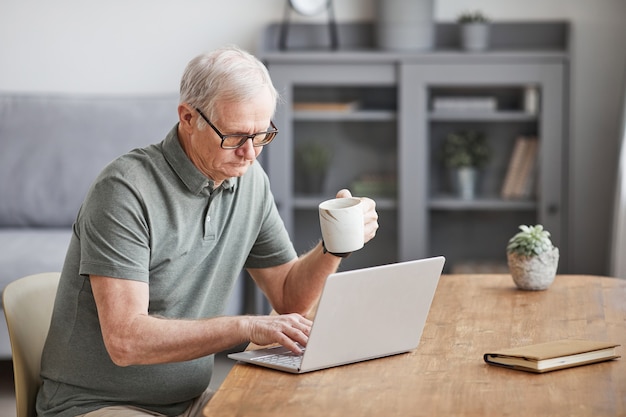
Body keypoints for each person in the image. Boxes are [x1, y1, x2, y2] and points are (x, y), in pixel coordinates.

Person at [36, 45, 379, 417]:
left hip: (189, 402)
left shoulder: (249, 182)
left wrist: (334, 246)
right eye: (234, 136)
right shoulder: (124, 190)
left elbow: (288, 297)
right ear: (188, 118)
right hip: (95, 405)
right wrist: (247, 327)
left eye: (261, 135)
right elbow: (125, 341)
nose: (250, 153)